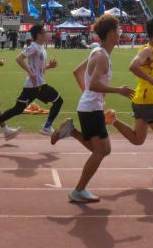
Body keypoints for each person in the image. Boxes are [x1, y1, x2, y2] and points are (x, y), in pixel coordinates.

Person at [51, 14, 135, 203]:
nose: (121, 32)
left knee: (102, 149)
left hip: (89, 106)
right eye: (118, 29)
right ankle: (78, 190)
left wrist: (88, 94)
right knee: (101, 150)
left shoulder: (97, 51)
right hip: (91, 109)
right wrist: (118, 90)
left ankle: (71, 131)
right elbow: (94, 84)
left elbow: (77, 72)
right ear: (111, 33)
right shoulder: (101, 56)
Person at [106, 17, 153, 182]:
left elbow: (146, 71)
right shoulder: (147, 51)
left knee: (138, 139)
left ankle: (112, 120)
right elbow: (132, 66)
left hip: (142, 100)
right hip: (148, 101)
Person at [0, 23, 64, 141]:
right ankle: (47, 127)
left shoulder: (41, 47)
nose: (46, 34)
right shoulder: (34, 46)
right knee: (58, 101)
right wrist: (30, 72)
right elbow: (19, 59)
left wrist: (48, 66)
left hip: (33, 86)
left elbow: (39, 69)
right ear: (38, 35)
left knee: (17, 109)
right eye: (44, 32)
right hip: (37, 86)